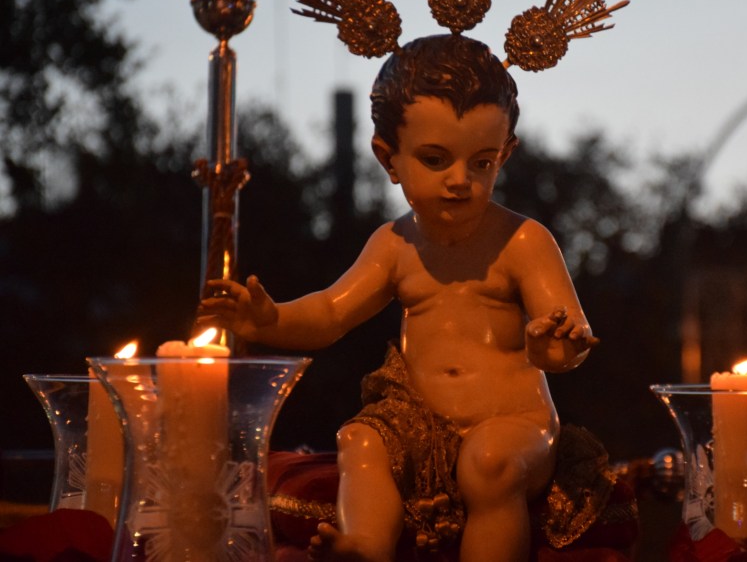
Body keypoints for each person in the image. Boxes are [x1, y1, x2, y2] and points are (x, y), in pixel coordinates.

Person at [197, 34, 603, 562]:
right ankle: (364, 547)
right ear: (388, 158)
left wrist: (552, 347)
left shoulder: (523, 241)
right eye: (436, 160)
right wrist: (270, 320)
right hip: (419, 428)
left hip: (516, 426)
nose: (460, 181)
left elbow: (570, 334)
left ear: (505, 153)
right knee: (361, 441)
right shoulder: (394, 245)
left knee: (488, 463)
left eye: (482, 163)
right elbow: (331, 312)